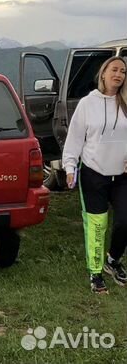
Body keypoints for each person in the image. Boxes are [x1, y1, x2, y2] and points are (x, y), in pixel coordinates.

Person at [63, 56, 127, 294]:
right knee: (97, 225)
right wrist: (70, 166)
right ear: (103, 74)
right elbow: (75, 137)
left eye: (123, 71)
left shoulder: (126, 102)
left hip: (121, 175)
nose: (118, 74)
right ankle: (96, 273)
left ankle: (113, 260)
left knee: (124, 221)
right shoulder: (88, 103)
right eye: (114, 69)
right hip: (94, 173)